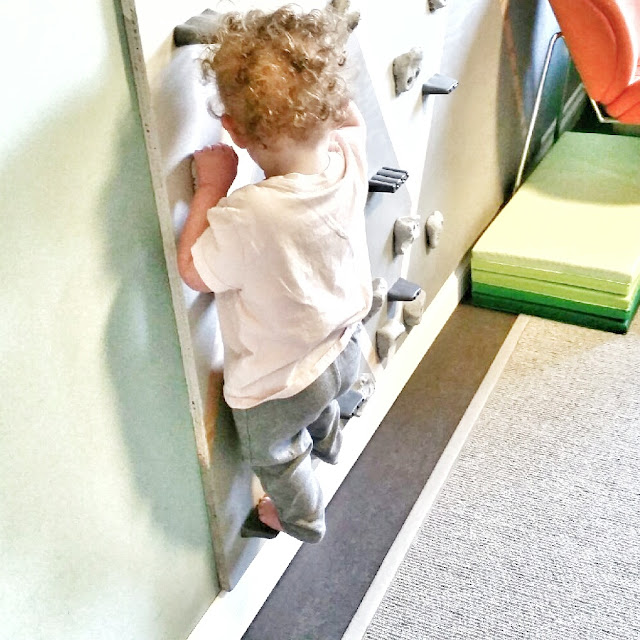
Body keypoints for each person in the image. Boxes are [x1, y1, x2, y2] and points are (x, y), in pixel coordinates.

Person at [177, 2, 372, 544]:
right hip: (343, 345)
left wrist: (212, 187)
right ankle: (330, 442)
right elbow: (350, 119)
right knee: (324, 400)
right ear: (330, 109)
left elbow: (194, 271)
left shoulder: (251, 212)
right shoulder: (348, 158)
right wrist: (323, 82)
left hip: (277, 384)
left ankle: (302, 519)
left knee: (278, 456)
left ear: (233, 130)